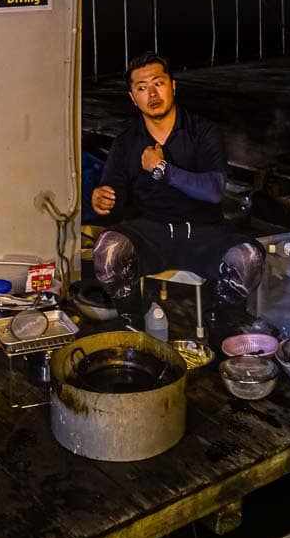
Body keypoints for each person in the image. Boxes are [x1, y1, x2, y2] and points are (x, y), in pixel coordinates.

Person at [91, 51, 263, 336]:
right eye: (142, 88)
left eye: (158, 83)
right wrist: (101, 199)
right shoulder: (126, 142)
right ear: (133, 98)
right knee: (107, 250)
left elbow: (213, 190)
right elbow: (113, 192)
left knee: (249, 259)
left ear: (173, 85)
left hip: (204, 232)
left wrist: (162, 169)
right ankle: (132, 317)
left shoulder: (203, 131)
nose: (152, 94)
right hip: (151, 232)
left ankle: (216, 314)